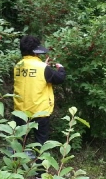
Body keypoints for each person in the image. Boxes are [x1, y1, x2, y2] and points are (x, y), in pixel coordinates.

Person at [13, 36, 66, 171]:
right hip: (39, 111)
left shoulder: (18, 66)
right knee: (40, 143)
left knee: (20, 141)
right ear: (36, 51)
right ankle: (39, 173)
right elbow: (59, 79)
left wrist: (45, 67)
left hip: (20, 110)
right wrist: (61, 69)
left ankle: (15, 169)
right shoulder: (43, 68)